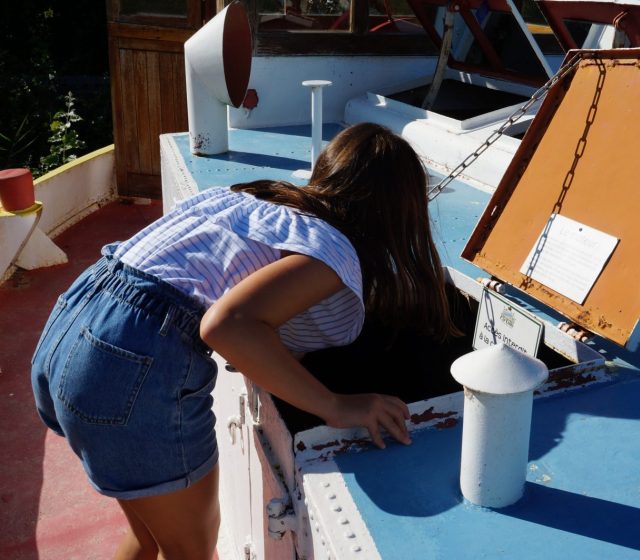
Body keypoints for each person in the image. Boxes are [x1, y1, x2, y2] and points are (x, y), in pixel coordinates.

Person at [30, 122, 457, 559]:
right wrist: (337, 404)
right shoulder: (331, 248)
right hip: (131, 362)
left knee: (148, 537)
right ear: (397, 211)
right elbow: (225, 325)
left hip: (72, 326)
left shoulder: (247, 198)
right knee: (191, 550)